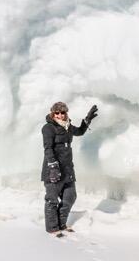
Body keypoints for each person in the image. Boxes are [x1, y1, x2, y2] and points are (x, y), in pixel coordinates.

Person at [41, 101, 98, 237]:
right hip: (53, 169)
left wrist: (87, 120)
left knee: (70, 196)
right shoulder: (48, 128)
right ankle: (52, 229)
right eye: (57, 113)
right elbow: (48, 148)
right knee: (52, 199)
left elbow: (79, 131)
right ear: (53, 113)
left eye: (63, 112)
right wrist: (53, 166)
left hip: (67, 169)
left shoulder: (67, 126)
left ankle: (61, 224)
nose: (60, 115)